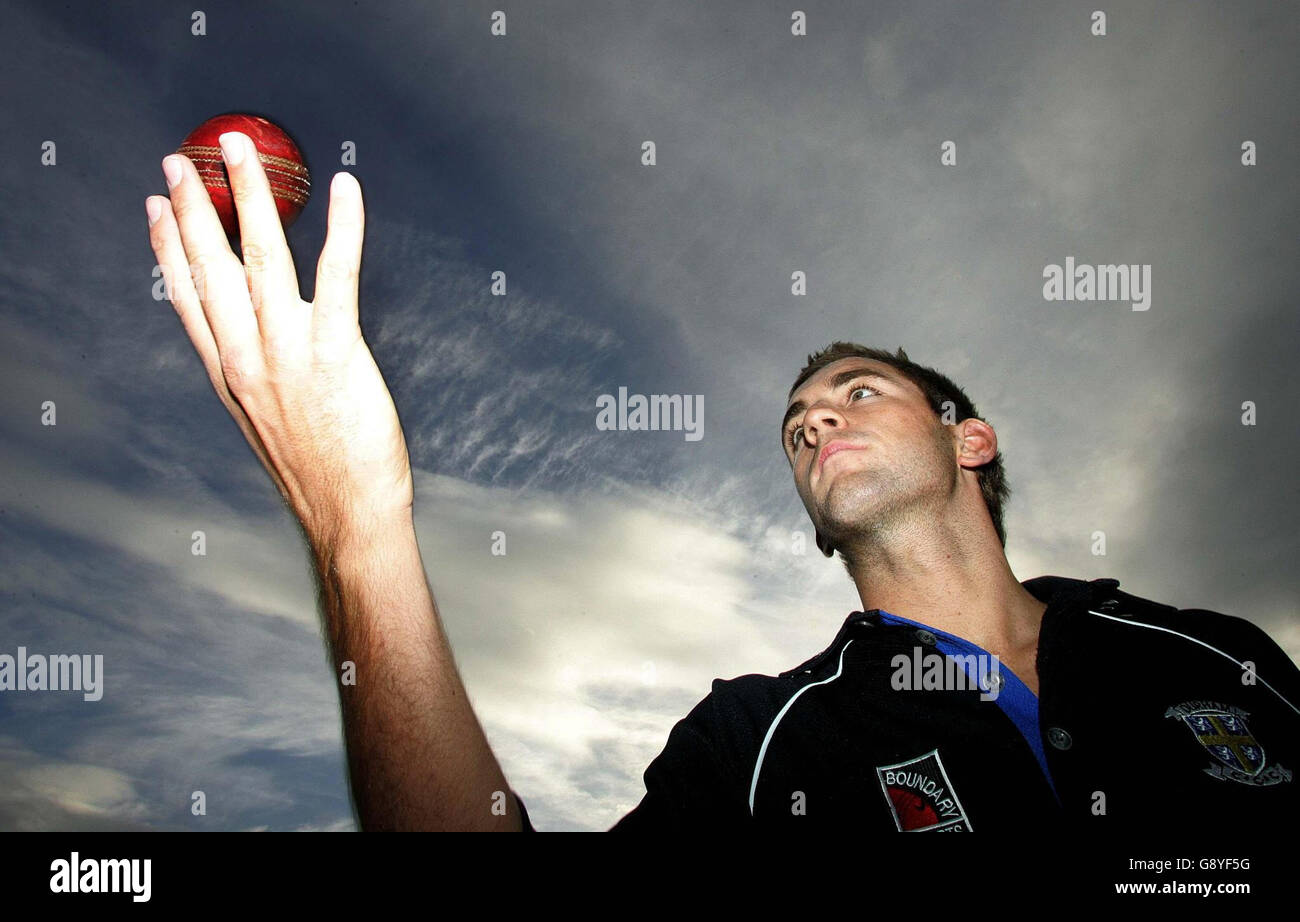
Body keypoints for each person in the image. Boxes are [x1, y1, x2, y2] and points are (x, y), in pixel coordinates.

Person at [146, 134, 1300, 831]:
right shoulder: (756, 743)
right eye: (797, 422)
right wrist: (358, 529)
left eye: (856, 393)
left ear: (969, 440)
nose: (813, 420)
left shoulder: (1212, 657)